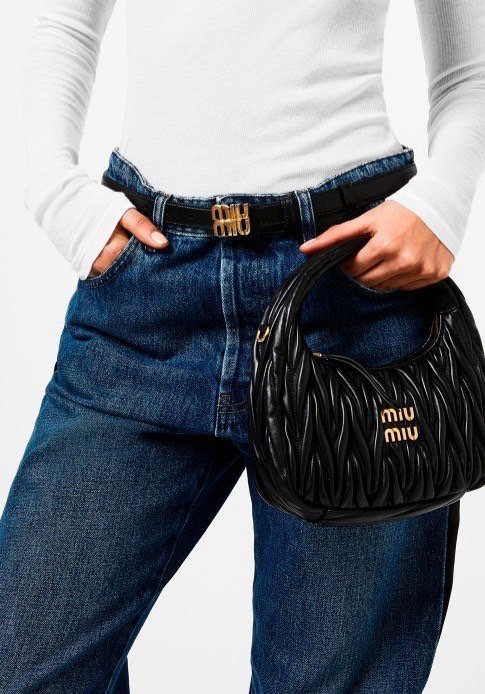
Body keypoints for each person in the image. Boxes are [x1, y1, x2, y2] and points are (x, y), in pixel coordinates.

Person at [1, 0, 484, 691]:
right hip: (146, 299)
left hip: (349, 288)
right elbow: (64, 24)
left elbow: (470, 67)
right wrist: (57, 196)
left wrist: (440, 204)